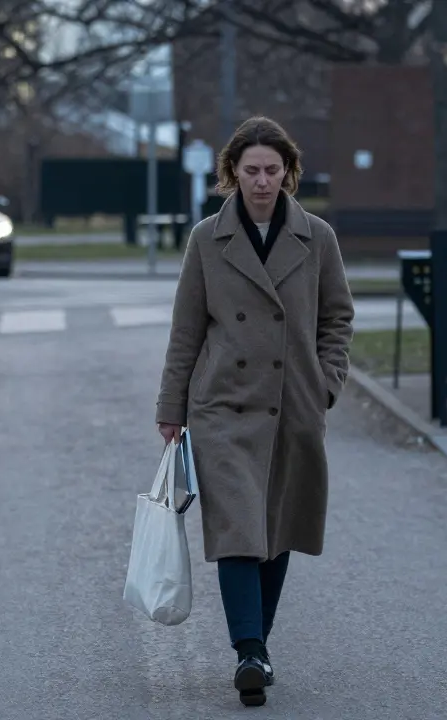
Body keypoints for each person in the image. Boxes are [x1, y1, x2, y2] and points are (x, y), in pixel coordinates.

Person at [155, 116, 355, 707]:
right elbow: (186, 329)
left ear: (288, 172)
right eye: (251, 171)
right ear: (232, 175)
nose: (262, 181)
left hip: (293, 402)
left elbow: (337, 316)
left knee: (279, 527)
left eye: (272, 170)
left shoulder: (317, 237)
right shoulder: (205, 240)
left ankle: (257, 649)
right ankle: (249, 650)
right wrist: (172, 407)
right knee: (238, 528)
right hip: (222, 405)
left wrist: (325, 383)